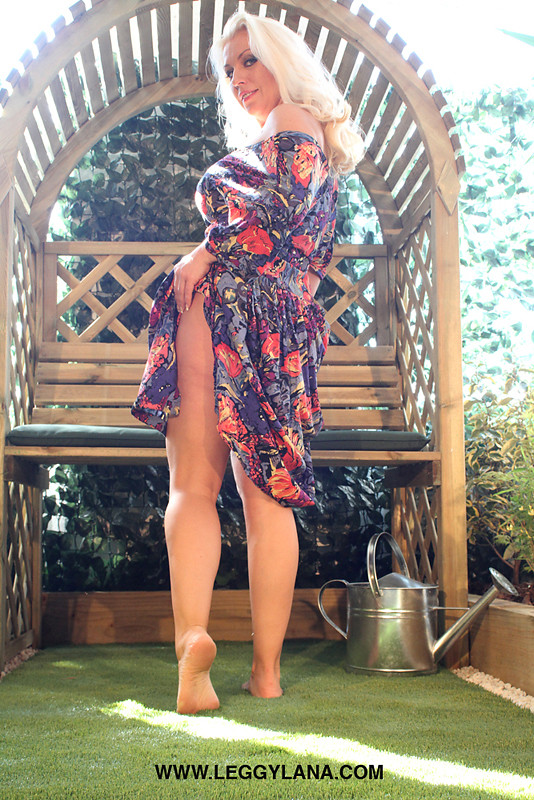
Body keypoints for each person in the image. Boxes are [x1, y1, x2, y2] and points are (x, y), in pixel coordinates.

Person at [131, 11, 364, 714]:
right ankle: (265, 674)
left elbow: (276, 207)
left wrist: (206, 250)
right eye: (229, 69)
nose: (237, 78)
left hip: (220, 306)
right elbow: (302, 245)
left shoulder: (290, 120)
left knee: (191, 488)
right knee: (266, 502)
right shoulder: (309, 137)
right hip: (276, 326)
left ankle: (192, 643)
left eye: (249, 60)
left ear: (282, 60)